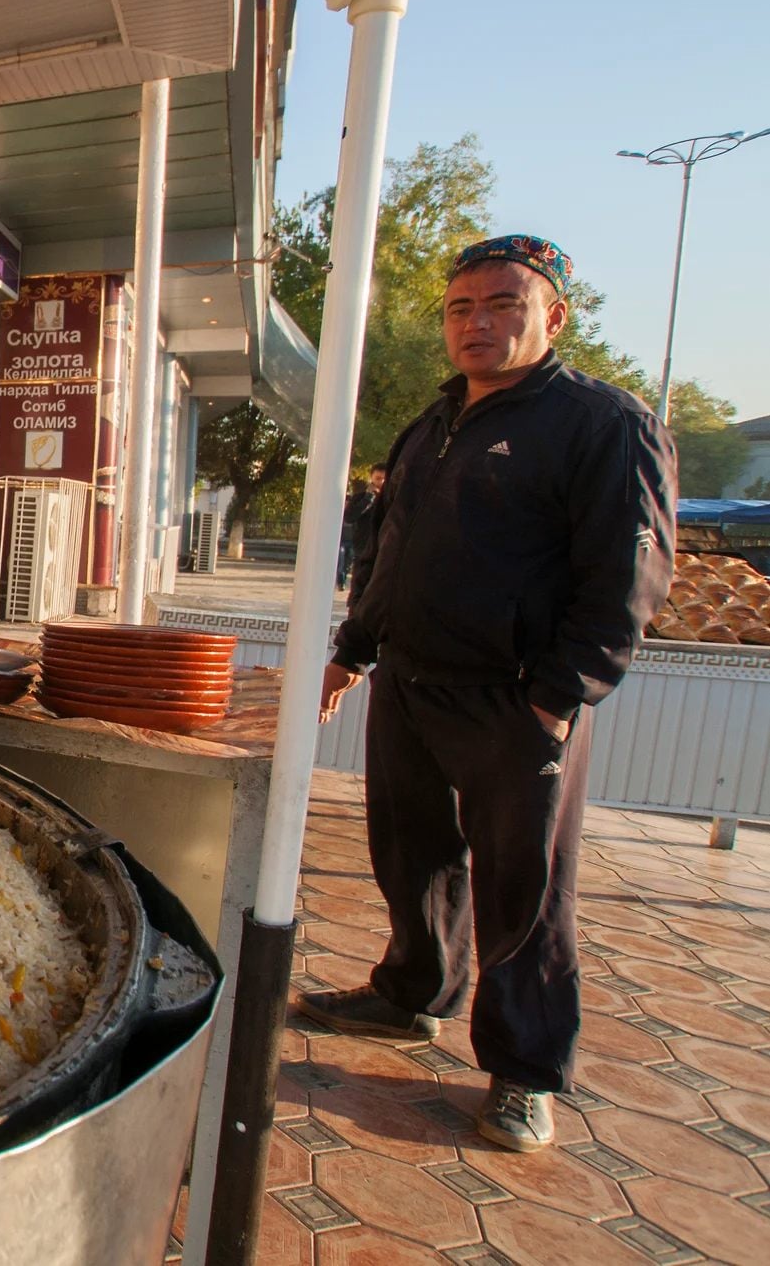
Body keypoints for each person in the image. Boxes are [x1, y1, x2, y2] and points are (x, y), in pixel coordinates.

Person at [305, 235, 676, 1153]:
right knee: (411, 853)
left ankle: (524, 1071)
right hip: (410, 683)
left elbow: (626, 574)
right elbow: (388, 553)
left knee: (526, 891)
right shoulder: (433, 424)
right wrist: (350, 653)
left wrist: (557, 696)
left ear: (550, 316)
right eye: (459, 307)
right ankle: (410, 995)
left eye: (502, 304)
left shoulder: (602, 424)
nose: (476, 323)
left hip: (515, 701)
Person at [336, 464, 387, 592]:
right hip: (362, 548)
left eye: (383, 479)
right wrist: (368, 499)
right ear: (371, 478)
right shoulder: (359, 498)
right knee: (359, 587)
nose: (380, 482)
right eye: (377, 478)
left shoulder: (391, 499)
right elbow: (349, 517)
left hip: (383, 549)